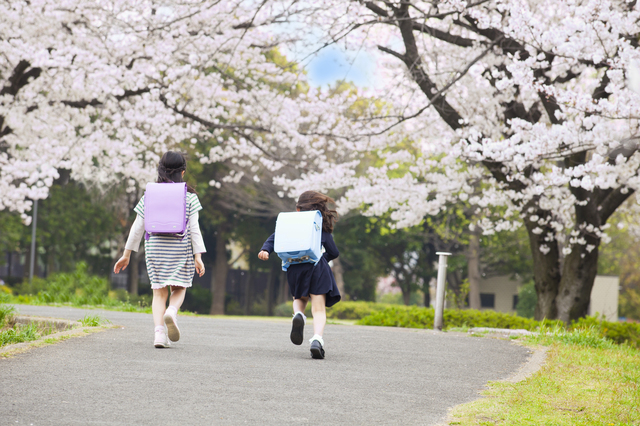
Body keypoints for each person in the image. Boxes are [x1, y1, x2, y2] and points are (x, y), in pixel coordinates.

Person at [114, 151, 206, 348]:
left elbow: (137, 227)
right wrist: (198, 256)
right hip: (179, 248)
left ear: (160, 170)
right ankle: (172, 311)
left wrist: (126, 254)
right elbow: (195, 230)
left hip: (155, 248)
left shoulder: (149, 195)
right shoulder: (189, 198)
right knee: (179, 287)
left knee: (158, 293)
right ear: (182, 172)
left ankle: (159, 335)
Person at [258, 191, 341, 359]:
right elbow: (334, 252)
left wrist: (265, 249)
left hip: (295, 268)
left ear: (298, 209)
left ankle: (299, 315)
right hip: (317, 268)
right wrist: (323, 258)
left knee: (299, 299)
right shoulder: (319, 227)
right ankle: (317, 340)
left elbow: (274, 238)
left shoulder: (289, 225)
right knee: (318, 310)